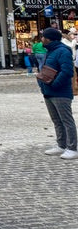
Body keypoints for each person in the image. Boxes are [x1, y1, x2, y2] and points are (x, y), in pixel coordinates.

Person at [36, 27, 77, 159]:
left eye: (43, 37)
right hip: (48, 91)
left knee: (66, 120)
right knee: (57, 120)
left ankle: (72, 148)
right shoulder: (50, 51)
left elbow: (67, 71)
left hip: (60, 92)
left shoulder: (62, 51)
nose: (41, 39)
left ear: (49, 39)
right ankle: (61, 145)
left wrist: (55, 84)